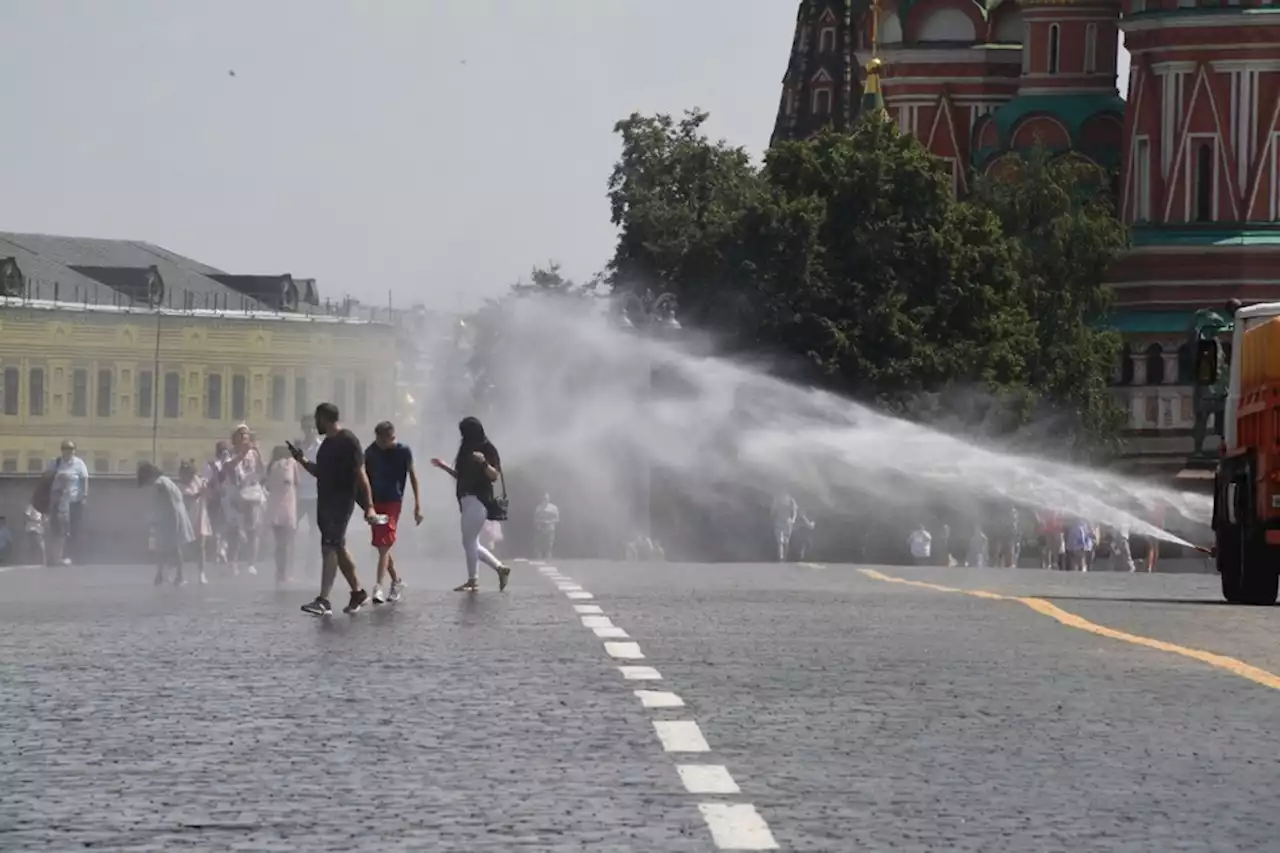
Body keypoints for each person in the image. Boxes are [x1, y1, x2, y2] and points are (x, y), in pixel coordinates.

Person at [293, 402, 376, 615]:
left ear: (324, 418)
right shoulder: (327, 444)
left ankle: (323, 600)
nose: (315, 424)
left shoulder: (348, 440)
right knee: (337, 547)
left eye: (317, 419)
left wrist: (370, 507)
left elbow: (361, 474)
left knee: (329, 547)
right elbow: (320, 472)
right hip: (326, 502)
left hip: (340, 502)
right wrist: (301, 460)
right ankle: (358, 593)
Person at [429, 416, 512, 592]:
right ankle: (499, 569)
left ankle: (474, 580)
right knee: (470, 542)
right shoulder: (465, 450)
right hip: (466, 501)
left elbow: (494, 475)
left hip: (478, 500)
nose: (462, 436)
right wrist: (444, 467)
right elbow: (461, 476)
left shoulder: (487, 449)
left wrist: (483, 462)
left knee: (469, 542)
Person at [364, 421, 422, 604]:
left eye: (383, 440)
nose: (380, 444)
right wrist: (366, 504)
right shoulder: (371, 451)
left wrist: (418, 505)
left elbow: (413, 476)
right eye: (378, 439)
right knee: (383, 545)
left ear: (391, 437)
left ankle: (378, 587)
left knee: (383, 545)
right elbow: (363, 477)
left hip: (393, 502)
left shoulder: (403, 451)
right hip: (375, 503)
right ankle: (396, 581)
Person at [138, 462, 196, 586]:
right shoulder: (164, 481)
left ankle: (177, 576)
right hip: (169, 518)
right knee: (164, 547)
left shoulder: (160, 484)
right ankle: (163, 574)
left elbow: (171, 503)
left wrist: (173, 523)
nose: (146, 485)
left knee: (172, 547)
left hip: (172, 518)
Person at [223, 425, 265, 577]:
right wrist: (242, 453)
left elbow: (262, 469)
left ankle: (251, 564)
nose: (244, 437)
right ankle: (232, 563)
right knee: (234, 531)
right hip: (235, 495)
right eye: (241, 435)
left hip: (252, 494)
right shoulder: (229, 453)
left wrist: (258, 451)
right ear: (235, 438)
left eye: (246, 435)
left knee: (253, 530)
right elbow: (228, 468)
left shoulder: (253, 453)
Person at [48, 440, 88, 565]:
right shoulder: (56, 462)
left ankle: (72, 556)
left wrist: (84, 495)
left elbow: (85, 478)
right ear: (62, 450)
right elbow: (47, 477)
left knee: (73, 530)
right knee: (58, 530)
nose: (69, 451)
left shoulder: (79, 463)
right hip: (58, 501)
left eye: (71, 448)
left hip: (74, 501)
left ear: (74, 450)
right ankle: (56, 556)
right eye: (66, 448)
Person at [266, 445, 300, 584]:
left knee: (279, 544)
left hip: (274, 507)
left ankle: (280, 573)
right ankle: (285, 574)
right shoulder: (291, 463)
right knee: (287, 543)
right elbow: (297, 481)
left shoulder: (271, 466)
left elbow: (268, 486)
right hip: (288, 507)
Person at [177, 460, 211, 585]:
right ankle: (179, 574)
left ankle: (201, 574)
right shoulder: (179, 486)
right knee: (180, 547)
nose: (188, 477)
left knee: (201, 547)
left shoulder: (197, 480)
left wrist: (207, 488)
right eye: (185, 474)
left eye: (190, 474)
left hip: (200, 516)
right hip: (186, 519)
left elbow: (207, 490)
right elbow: (188, 498)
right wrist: (200, 493)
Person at [295, 415, 323, 555]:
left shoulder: (321, 446)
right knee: (292, 527)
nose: (309, 430)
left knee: (315, 530)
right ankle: (291, 559)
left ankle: (312, 563)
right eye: (306, 427)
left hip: (315, 495)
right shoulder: (298, 446)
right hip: (299, 494)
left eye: (312, 427)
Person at [771, 492, 798, 562]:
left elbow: (795, 511)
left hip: (786, 521)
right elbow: (773, 511)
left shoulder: (790, 500)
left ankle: (784, 557)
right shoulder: (778, 499)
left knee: (785, 541)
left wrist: (793, 519)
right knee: (780, 541)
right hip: (781, 521)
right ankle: (781, 558)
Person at [534, 493, 560, 560]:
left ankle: (548, 557)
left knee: (549, 544)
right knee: (539, 543)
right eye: (544, 498)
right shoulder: (539, 507)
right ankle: (539, 558)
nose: (545, 500)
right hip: (540, 528)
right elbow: (536, 518)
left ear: (549, 499)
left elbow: (557, 519)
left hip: (550, 528)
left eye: (546, 498)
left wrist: (549, 522)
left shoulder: (553, 508)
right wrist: (540, 522)